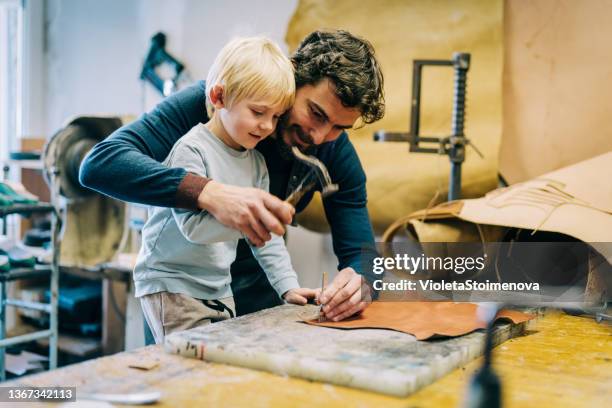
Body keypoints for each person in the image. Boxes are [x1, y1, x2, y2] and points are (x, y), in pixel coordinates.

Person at [80, 29, 385, 324]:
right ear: (293, 80)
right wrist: (208, 193)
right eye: (316, 114)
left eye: (338, 127)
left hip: (258, 292)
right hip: (180, 293)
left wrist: (362, 280)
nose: (319, 137)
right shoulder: (218, 100)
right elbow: (100, 163)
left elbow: (361, 247)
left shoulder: (332, 149)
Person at [133, 36, 316, 344]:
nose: (268, 126)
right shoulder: (191, 150)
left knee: (218, 367)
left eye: (275, 116)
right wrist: (248, 218)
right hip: (172, 283)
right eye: (258, 112)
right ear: (219, 96)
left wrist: (288, 286)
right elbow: (193, 229)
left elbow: (266, 239)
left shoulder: (256, 162)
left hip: (218, 287)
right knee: (191, 373)